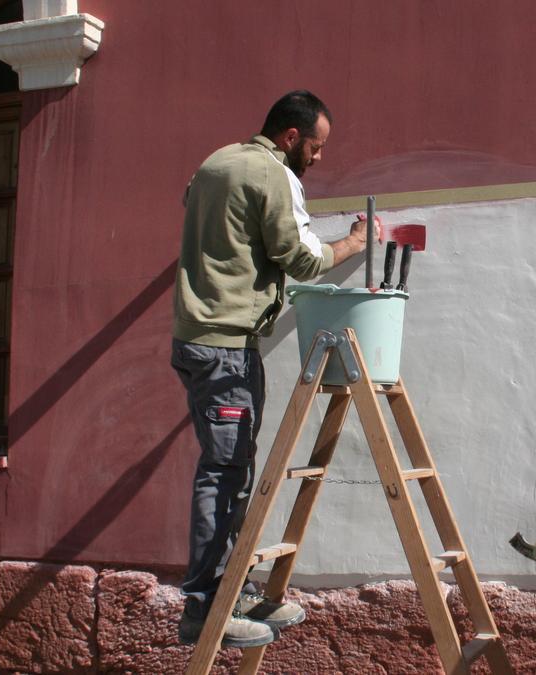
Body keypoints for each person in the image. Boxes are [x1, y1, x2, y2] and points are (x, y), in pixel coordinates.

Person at [171, 90, 379, 649]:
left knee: (232, 464)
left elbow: (214, 223)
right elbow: (305, 257)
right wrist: (356, 242)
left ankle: (228, 591)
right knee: (225, 469)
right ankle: (204, 605)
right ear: (291, 137)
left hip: (199, 342)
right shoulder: (273, 173)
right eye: (315, 146)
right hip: (225, 348)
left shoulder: (215, 163)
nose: (317, 158)